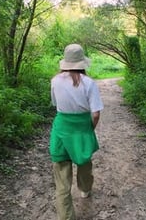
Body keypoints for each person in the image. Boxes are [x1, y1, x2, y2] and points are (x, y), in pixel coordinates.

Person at [49, 43, 104, 220]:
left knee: (61, 178)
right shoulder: (89, 83)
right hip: (81, 128)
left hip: (62, 129)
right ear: (82, 63)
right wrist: (89, 130)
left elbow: (56, 105)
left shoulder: (55, 81)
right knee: (85, 164)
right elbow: (95, 114)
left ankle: (66, 217)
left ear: (65, 62)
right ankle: (85, 190)